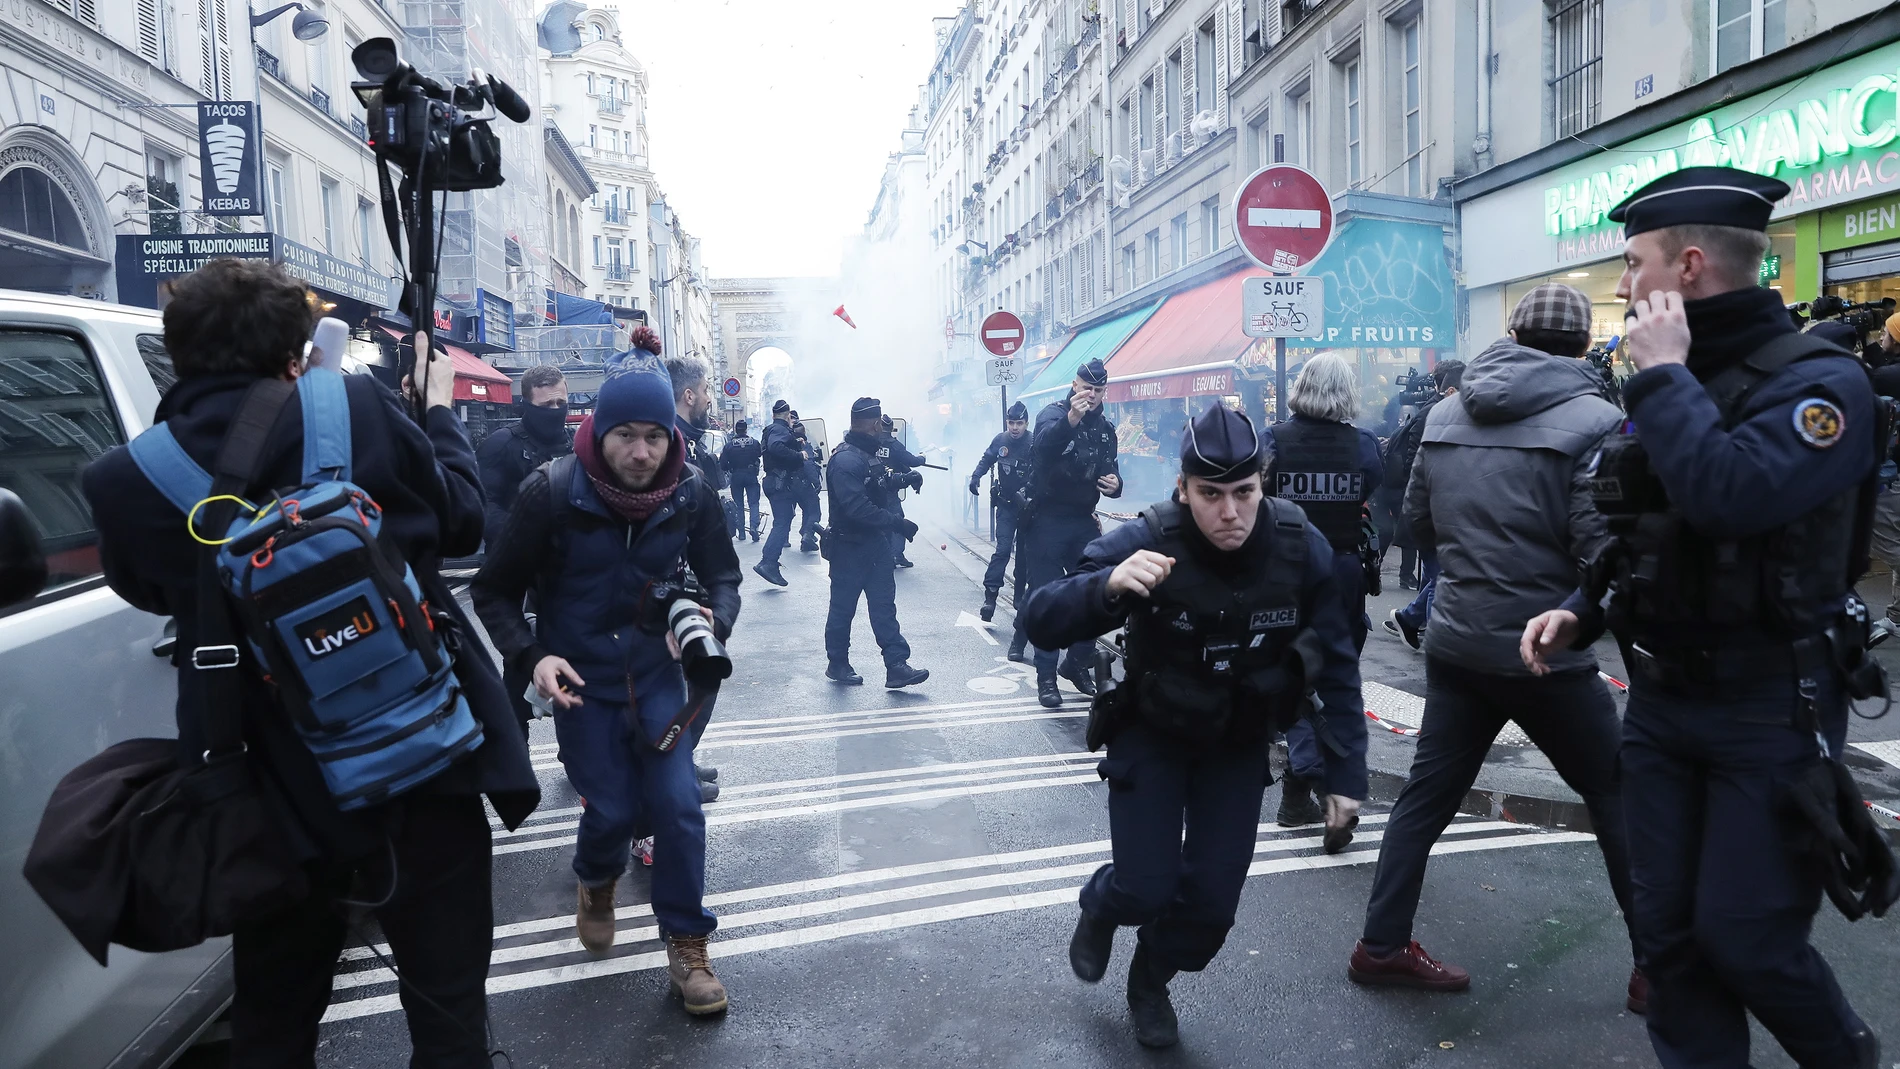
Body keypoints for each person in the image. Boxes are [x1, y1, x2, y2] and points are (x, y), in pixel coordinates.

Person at [81, 257, 540, 1066]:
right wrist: (435, 413)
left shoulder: (123, 479)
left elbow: (153, 594)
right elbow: (464, 523)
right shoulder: (356, 405)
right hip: (427, 765)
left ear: (177, 355)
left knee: (273, 1020)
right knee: (449, 1013)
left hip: (268, 789)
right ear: (296, 352)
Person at [1522, 166, 1884, 1069]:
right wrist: (1584, 608)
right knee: (1672, 943)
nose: (1621, 285)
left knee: (1748, 937)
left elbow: (1730, 497)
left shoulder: (1819, 384)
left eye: (1634, 263)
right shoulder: (1668, 380)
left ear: (1687, 268)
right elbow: (1648, 521)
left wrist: (1664, 378)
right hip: (1661, 705)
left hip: (1771, 707)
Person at [1022, 402, 1368, 1049]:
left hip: (1235, 743)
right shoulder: (1151, 535)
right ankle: (1102, 902)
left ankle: (1149, 976)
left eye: (1244, 492)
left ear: (1262, 484)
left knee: (1210, 911)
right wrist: (1109, 587)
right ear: (1183, 490)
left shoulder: (1298, 544)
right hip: (1153, 731)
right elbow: (1040, 616)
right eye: (1211, 494)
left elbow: (1338, 659)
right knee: (1143, 885)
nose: (1230, 511)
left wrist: (1345, 775)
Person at [1348, 282, 1643, 1009]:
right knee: (1615, 795)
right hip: (1546, 647)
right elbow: (1600, 547)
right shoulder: (1599, 419)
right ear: (1582, 345)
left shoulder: (1448, 411)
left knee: (1426, 796)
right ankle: (1660, 965)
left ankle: (1380, 944)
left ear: (1511, 331)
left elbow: (1417, 523)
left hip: (1457, 637)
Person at [471, 344, 741, 1017]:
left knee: (679, 808)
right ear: (599, 429)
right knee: (614, 810)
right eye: (627, 435)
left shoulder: (691, 490)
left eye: (655, 436)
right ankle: (596, 878)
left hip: (657, 677)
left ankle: (687, 944)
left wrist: (713, 619)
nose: (643, 452)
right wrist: (532, 654)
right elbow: (494, 591)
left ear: (671, 435)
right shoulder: (552, 490)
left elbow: (725, 575)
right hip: (581, 682)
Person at [1261, 354, 1383, 833]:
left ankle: (1302, 780)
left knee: (1292, 675)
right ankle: (1314, 783)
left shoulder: (1273, 440)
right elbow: (1372, 488)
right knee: (1335, 679)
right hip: (1341, 571)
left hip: (1285, 570)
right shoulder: (1364, 446)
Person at [477, 364, 572, 734]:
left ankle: (575, 744)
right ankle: (515, 741)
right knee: (520, 654)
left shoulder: (571, 442)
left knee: (569, 648)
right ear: (527, 403)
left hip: (559, 565)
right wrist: (521, 535)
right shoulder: (502, 445)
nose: (556, 410)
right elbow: (482, 501)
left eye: (562, 402)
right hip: (512, 564)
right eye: (547, 404)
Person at [1026, 358, 1122, 708]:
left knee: (1096, 594)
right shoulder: (1053, 415)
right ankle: (1046, 679)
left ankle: (1076, 663)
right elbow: (1042, 449)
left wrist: (1116, 485)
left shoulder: (1105, 428)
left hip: (1083, 519)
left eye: (1098, 390)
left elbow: (1111, 467)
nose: (1092, 395)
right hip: (1047, 519)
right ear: (1074, 385)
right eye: (1086, 388)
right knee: (1049, 600)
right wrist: (1071, 419)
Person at [822, 397, 930, 689]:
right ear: (872, 425)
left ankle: (896, 666)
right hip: (849, 547)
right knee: (843, 609)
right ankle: (838, 664)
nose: (882, 430)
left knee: (884, 606)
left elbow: (877, 482)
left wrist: (905, 479)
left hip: (875, 545)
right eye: (880, 424)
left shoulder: (865, 454)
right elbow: (857, 508)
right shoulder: (845, 460)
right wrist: (898, 523)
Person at [1379, 362, 1463, 592]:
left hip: (1422, 494)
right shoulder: (1432, 413)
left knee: (1434, 574)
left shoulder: (1435, 409)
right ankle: (1415, 613)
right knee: (1435, 574)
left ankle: (1412, 615)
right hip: (1420, 494)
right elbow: (1414, 457)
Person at [969, 401, 1034, 658]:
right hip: (1006, 507)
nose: (1015, 428)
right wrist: (976, 477)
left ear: (1026, 423)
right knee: (1002, 550)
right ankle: (990, 596)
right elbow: (987, 459)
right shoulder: (1001, 440)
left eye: (1019, 423)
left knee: (1025, 557)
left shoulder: (1034, 441)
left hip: (1028, 509)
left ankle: (1019, 599)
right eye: (1011, 423)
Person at [667, 352, 729, 535]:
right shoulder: (671, 445)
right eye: (705, 390)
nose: (709, 399)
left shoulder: (680, 439)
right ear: (689, 396)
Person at [755, 399, 802, 586]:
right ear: (788, 415)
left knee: (784, 519)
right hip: (779, 481)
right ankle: (768, 562)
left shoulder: (771, 429)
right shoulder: (779, 430)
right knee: (782, 522)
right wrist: (799, 455)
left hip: (775, 481)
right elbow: (776, 446)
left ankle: (770, 562)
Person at [880, 412, 927, 568]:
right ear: (891, 428)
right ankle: (897, 555)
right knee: (898, 521)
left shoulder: (871, 443)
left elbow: (903, 466)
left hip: (872, 491)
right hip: (889, 490)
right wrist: (922, 457)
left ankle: (884, 556)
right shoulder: (894, 446)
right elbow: (911, 461)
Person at [721, 419, 764, 542]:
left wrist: (731, 468)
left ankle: (741, 532)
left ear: (736, 430)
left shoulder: (729, 445)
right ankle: (754, 527)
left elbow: (723, 464)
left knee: (738, 504)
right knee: (754, 503)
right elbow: (760, 454)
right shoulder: (754, 443)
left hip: (736, 475)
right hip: (751, 475)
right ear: (746, 429)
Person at [791, 413, 824, 553]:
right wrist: (816, 483)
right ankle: (807, 535)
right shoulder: (804, 445)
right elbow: (809, 465)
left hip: (789, 484)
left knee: (804, 510)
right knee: (814, 510)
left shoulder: (788, 443)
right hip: (802, 483)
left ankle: (804, 537)